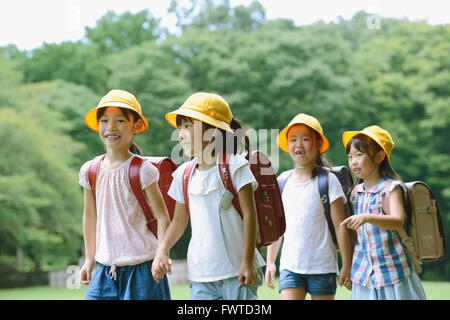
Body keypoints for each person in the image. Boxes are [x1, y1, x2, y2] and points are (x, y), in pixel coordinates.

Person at [151, 92, 266, 300]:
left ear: (212, 132)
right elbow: (178, 221)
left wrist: (248, 261)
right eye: (180, 127)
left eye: (188, 126)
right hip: (200, 274)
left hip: (236, 272)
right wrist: (162, 249)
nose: (181, 135)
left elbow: (250, 215)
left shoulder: (235, 165)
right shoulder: (183, 174)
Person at [78, 89, 171, 300]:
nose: (111, 127)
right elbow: (89, 216)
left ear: (136, 126)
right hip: (105, 269)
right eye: (104, 121)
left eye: (120, 120)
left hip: (143, 269)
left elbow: (163, 217)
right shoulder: (90, 170)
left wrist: (161, 253)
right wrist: (89, 258)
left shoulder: (143, 170)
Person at [265, 113, 352, 300]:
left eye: (305, 139)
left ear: (318, 144)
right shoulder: (282, 181)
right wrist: (270, 261)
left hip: (322, 267)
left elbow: (340, 227)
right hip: (290, 267)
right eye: (293, 140)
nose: (299, 145)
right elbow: (277, 228)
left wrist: (346, 264)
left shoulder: (328, 181)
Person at [340, 125, 426, 300]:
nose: (353, 161)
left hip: (392, 270)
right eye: (350, 156)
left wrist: (367, 218)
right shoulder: (355, 192)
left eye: (359, 155)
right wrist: (348, 268)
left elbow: (397, 220)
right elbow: (354, 237)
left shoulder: (390, 188)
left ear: (379, 156)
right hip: (363, 272)